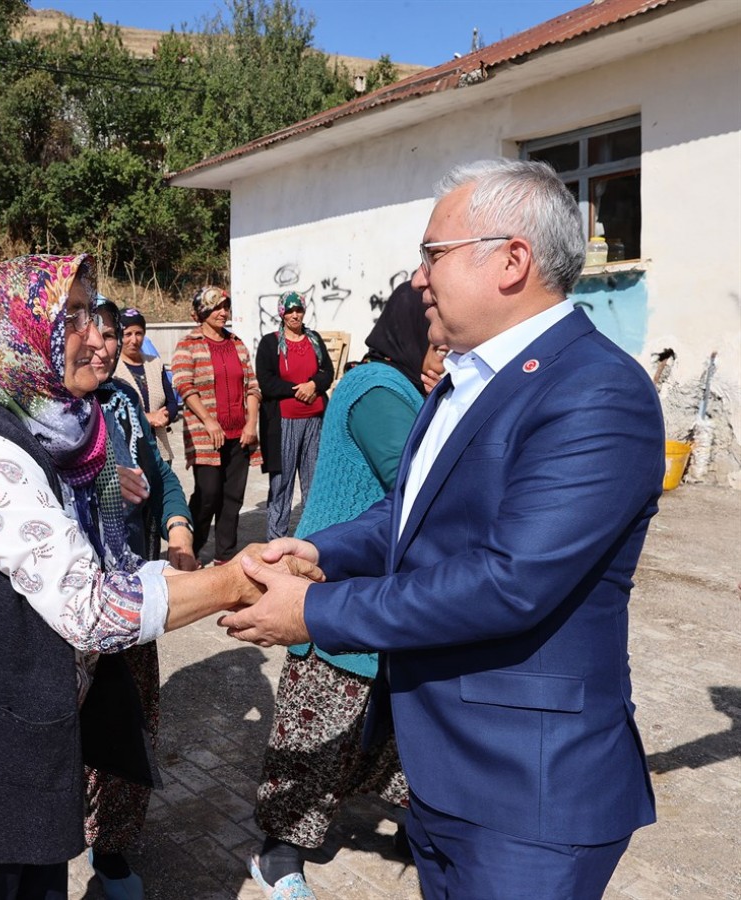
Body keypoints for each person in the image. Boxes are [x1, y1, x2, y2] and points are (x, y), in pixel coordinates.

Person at [220, 159, 665, 899]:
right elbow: (407, 515)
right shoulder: (465, 377)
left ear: (511, 261)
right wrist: (321, 550)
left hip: (529, 792)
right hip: (443, 771)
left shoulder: (594, 391)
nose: (418, 278)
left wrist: (314, 612)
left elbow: (508, 581)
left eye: (432, 254)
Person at [0, 254, 318, 900]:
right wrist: (235, 581)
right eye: (71, 319)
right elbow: (89, 606)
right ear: (15, 333)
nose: (97, 335)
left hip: (8, 758)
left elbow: (91, 573)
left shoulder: (58, 435)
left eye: (97, 314)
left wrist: (218, 566)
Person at [249, 282, 442, 899]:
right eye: (435, 344)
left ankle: (417, 829)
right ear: (410, 334)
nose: (443, 354)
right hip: (338, 580)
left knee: (390, 721)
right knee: (322, 720)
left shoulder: (395, 385)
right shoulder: (381, 391)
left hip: (370, 587)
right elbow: (418, 492)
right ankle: (279, 854)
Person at [85, 299, 197, 898]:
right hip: (67, 604)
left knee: (128, 721)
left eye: (110, 335)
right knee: (65, 730)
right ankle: (58, 836)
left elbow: (159, 472)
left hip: (129, 592)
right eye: (91, 334)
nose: (103, 347)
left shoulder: (124, 401)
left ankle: (113, 847)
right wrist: (102, 480)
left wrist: (177, 523)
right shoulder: (42, 410)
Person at [171, 287, 261, 565]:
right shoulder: (188, 345)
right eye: (216, 308)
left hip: (239, 433)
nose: (223, 313)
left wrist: (251, 424)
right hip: (206, 436)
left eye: (225, 306)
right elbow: (184, 385)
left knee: (233, 497)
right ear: (202, 312)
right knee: (208, 494)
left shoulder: (236, 343)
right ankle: (190, 548)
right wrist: (209, 421)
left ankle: (225, 554)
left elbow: (253, 386)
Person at [254, 291, 335, 541]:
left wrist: (314, 385)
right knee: (282, 483)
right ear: (282, 313)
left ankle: (313, 535)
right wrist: (299, 389)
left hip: (315, 420)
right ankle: (276, 539)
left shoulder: (314, 339)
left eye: (298, 309)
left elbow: (327, 371)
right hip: (284, 422)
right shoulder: (270, 344)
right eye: (289, 311)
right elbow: (266, 382)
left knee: (314, 482)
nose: (294, 315)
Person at [113, 306, 179, 468]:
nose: (134, 340)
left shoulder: (155, 363)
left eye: (139, 333)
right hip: (129, 453)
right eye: (127, 334)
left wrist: (164, 417)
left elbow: (172, 402)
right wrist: (146, 418)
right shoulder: (111, 369)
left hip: (160, 451)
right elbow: (111, 412)